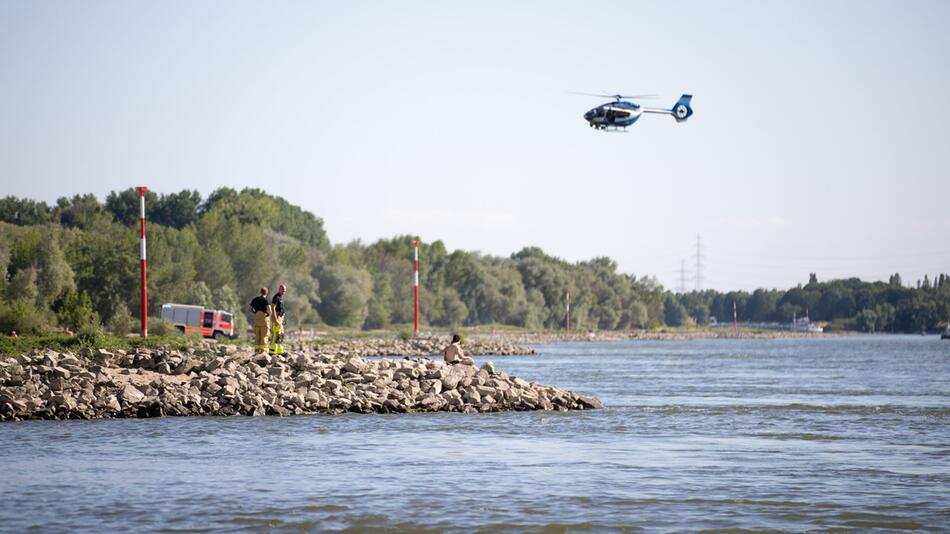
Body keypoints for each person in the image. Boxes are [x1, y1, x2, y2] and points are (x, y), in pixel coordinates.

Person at [249, 287, 271, 354]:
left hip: (257, 320)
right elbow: (269, 310)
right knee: (264, 336)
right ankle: (263, 352)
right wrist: (267, 315)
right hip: (264, 320)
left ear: (260, 292)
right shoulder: (265, 301)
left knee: (257, 336)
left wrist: (255, 313)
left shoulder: (255, 299)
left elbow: (250, 308)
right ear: (266, 293)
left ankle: (256, 351)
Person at [269, 284, 287, 355]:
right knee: (275, 336)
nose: (284, 291)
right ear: (279, 289)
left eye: (285, 290)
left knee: (280, 335)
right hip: (277, 317)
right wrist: (275, 319)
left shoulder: (281, 298)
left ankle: (279, 351)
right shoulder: (276, 297)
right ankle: (272, 352)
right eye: (282, 289)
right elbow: (273, 308)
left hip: (280, 318)